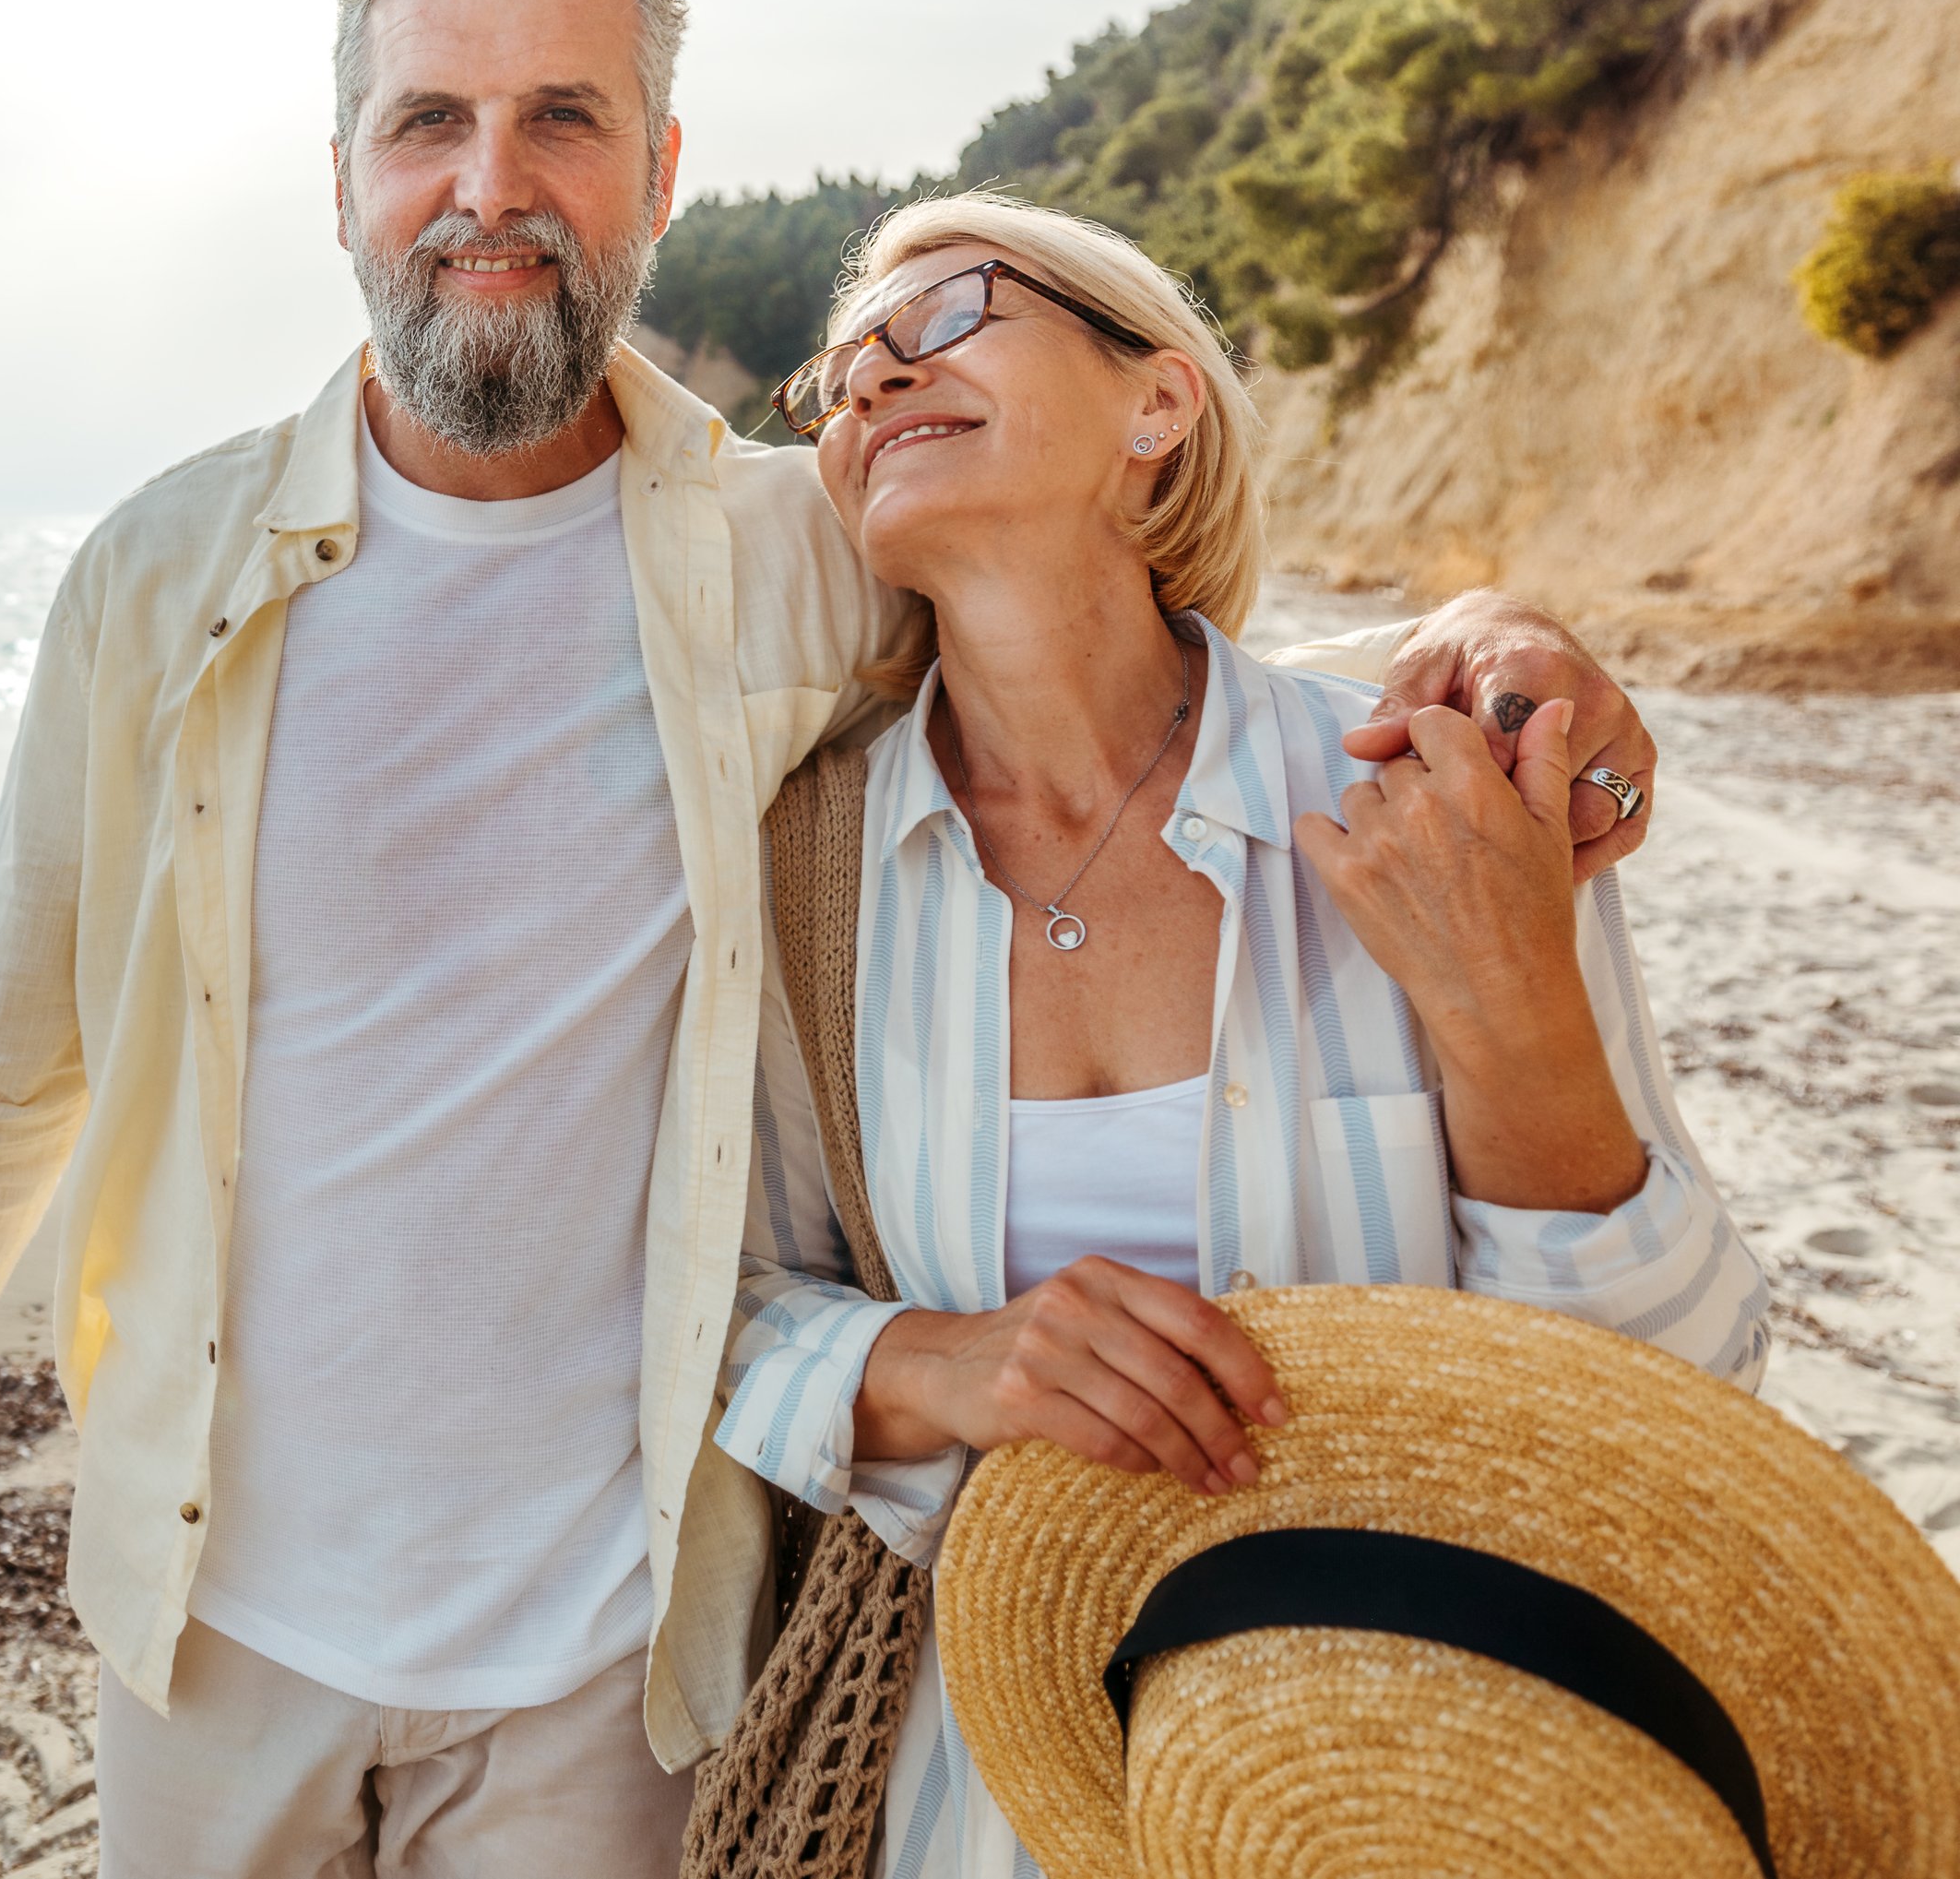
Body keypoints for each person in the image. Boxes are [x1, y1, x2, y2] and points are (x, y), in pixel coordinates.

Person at [0, 0, 1660, 1877]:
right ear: (343, 183)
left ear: (655, 171)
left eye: (561, 119)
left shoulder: (793, 549)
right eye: (430, 123)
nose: (492, 183)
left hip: (615, 1652)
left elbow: (1105, 641)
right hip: (214, 1622)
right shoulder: (158, 580)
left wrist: (1481, 661)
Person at [717, 192, 1763, 1877]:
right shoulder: (804, 872)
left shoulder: (1420, 788)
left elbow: (1675, 1378)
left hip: (1413, 1771)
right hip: (974, 1781)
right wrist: (941, 1362)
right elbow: (729, 1312)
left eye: (953, 307)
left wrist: (1513, 1014)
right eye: (840, 373)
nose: (876, 374)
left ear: (1160, 405)